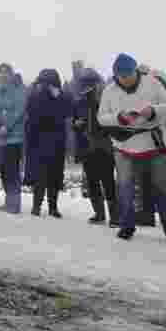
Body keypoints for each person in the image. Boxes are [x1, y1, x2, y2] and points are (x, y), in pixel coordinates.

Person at [97, 53, 166, 244]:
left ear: (135, 71)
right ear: (116, 76)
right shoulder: (109, 91)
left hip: (152, 143)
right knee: (125, 187)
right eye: (121, 77)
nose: (126, 80)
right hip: (124, 146)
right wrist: (118, 118)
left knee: (163, 187)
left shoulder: (152, 83)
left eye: (129, 75)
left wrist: (153, 111)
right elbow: (101, 117)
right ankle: (126, 226)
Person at [72, 68, 118, 224]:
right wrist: (76, 124)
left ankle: (115, 216)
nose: (87, 87)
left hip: (104, 146)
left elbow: (112, 122)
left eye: (90, 84)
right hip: (87, 146)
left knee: (108, 181)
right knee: (92, 181)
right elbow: (74, 121)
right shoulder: (79, 102)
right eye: (84, 84)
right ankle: (99, 214)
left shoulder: (106, 100)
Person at [24, 69, 71, 217]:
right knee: (40, 175)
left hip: (56, 140)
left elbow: (68, 112)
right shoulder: (35, 95)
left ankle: (53, 207)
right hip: (40, 140)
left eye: (50, 83)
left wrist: (59, 97)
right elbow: (31, 114)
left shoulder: (61, 96)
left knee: (55, 174)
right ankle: (37, 206)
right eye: (45, 82)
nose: (47, 86)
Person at [0, 63, 26, 215]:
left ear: (11, 74)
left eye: (6, 72)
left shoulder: (18, 90)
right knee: (3, 171)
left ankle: (14, 204)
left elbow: (19, 110)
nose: (3, 75)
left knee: (12, 171)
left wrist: (6, 126)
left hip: (14, 138)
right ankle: (9, 201)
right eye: (1, 72)